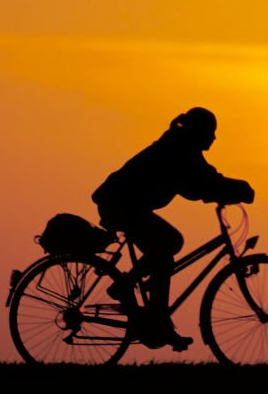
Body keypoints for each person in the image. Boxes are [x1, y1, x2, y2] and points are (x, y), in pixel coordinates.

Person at [92, 107, 254, 351]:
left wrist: (226, 189)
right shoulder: (179, 149)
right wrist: (240, 188)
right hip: (119, 204)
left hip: (125, 203)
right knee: (167, 245)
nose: (214, 138)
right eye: (210, 132)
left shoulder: (182, 147)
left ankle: (132, 291)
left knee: (169, 245)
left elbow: (200, 182)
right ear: (198, 132)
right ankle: (156, 318)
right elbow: (201, 183)